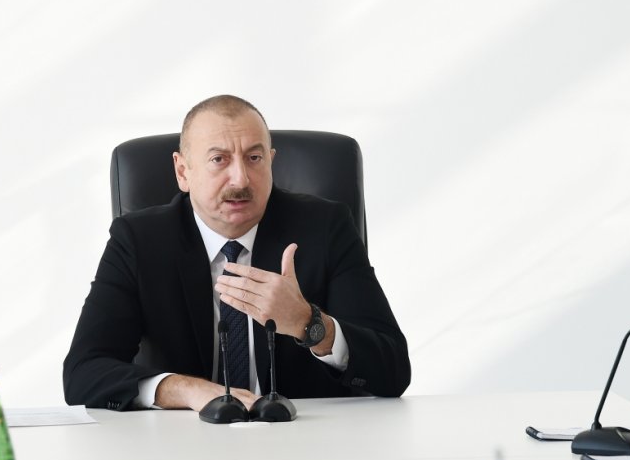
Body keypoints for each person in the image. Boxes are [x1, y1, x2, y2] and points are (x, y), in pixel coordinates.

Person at [63, 95, 410, 412]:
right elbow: (82, 373)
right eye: (219, 160)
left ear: (271, 162)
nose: (240, 180)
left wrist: (309, 323)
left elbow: (393, 370)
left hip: (303, 441)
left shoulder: (324, 227)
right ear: (183, 172)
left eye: (254, 158)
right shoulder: (139, 240)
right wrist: (185, 390)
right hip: (181, 445)